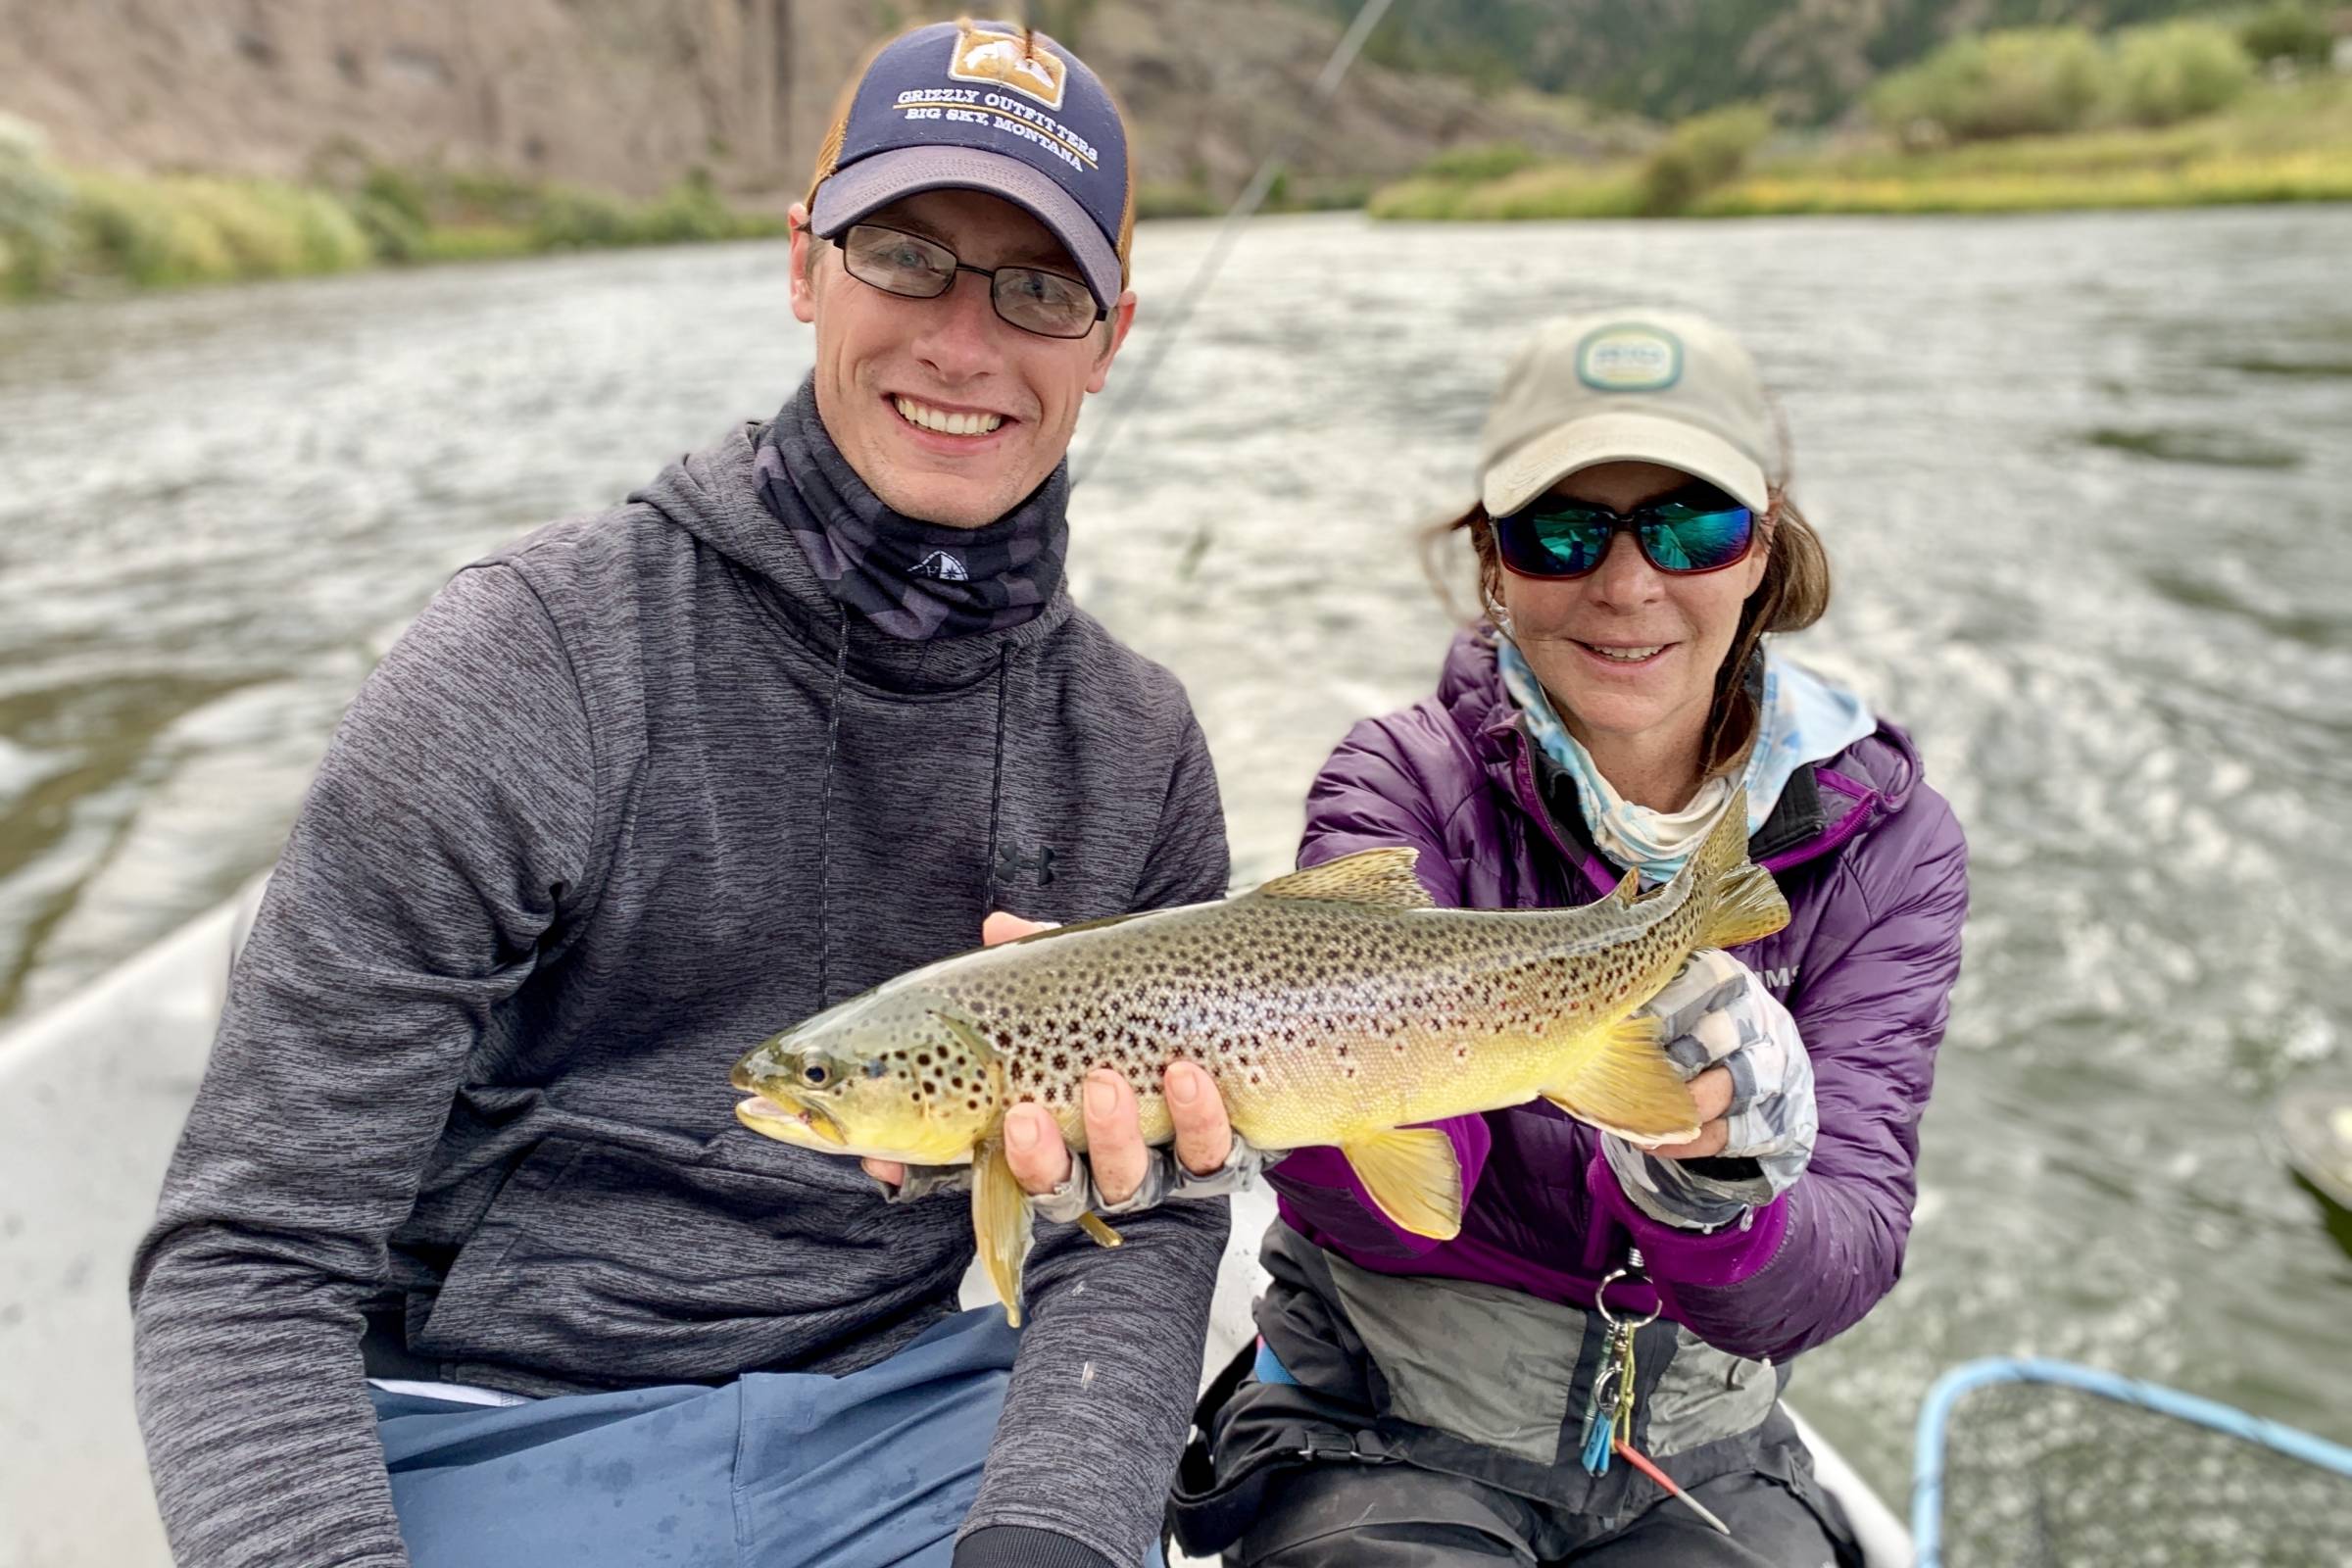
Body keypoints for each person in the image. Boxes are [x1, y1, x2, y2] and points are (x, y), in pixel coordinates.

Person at [129, 21, 1250, 1568]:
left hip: (918, 1415)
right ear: (806, 264)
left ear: (1108, 338)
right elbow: (250, 1251)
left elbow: (1152, 1226)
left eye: (1038, 289)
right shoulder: (527, 660)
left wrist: (1053, 1532)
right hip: (484, 1425)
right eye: (909, 255)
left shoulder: (1136, 744)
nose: (965, 343)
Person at [1173, 309, 1969, 1566]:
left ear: (1763, 549)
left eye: (1690, 525)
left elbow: (1848, 1249)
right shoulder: (1399, 783)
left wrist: (1713, 1196)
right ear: (1493, 559)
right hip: (1380, 1419)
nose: (1627, 581)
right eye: (1562, 529)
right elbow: (1400, 1214)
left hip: (1699, 1446)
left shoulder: (1887, 840)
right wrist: (1282, 1087)